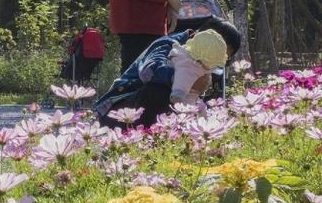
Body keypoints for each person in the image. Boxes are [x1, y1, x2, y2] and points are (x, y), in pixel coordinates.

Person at [95, 17, 242, 128]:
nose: (212, 62)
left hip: (146, 110)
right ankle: (148, 137)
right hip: (117, 110)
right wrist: (182, 79)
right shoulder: (169, 44)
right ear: (205, 38)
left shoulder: (202, 62)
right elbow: (149, 72)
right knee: (158, 92)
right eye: (216, 53)